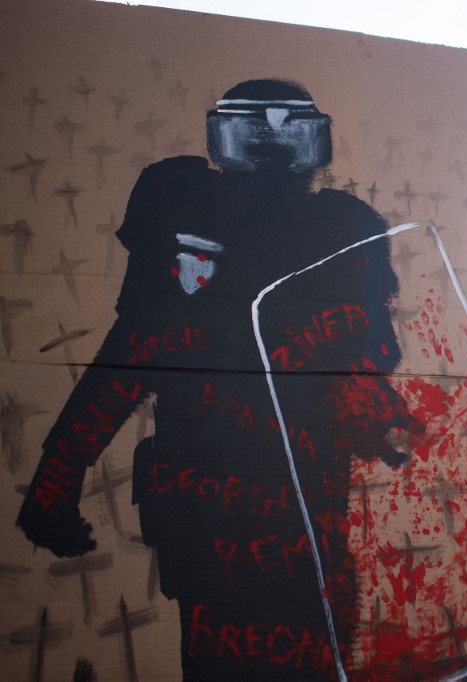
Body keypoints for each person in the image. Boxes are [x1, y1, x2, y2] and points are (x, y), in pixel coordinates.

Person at [16, 79, 419, 680]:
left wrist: (373, 408)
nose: (273, 149)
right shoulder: (184, 207)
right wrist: (59, 470)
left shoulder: (343, 228)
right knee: (224, 653)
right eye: (257, 132)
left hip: (300, 495)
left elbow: (372, 353)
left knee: (306, 646)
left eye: (288, 133)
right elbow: (134, 349)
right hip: (209, 493)